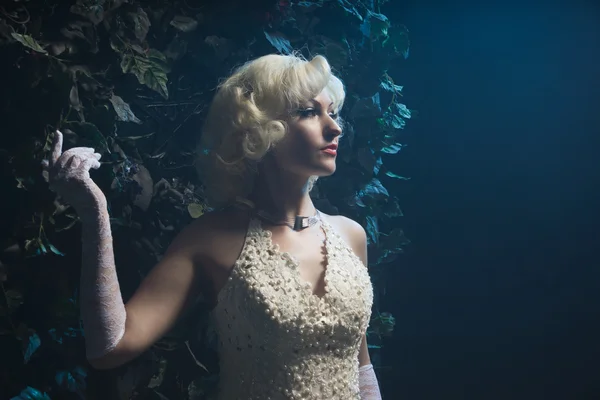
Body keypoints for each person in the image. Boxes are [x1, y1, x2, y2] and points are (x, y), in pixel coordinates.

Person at [42, 53, 382, 399]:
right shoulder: (210, 240)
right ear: (260, 129)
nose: (335, 127)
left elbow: (361, 368)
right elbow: (110, 346)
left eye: (333, 112)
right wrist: (93, 212)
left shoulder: (351, 235)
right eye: (309, 112)